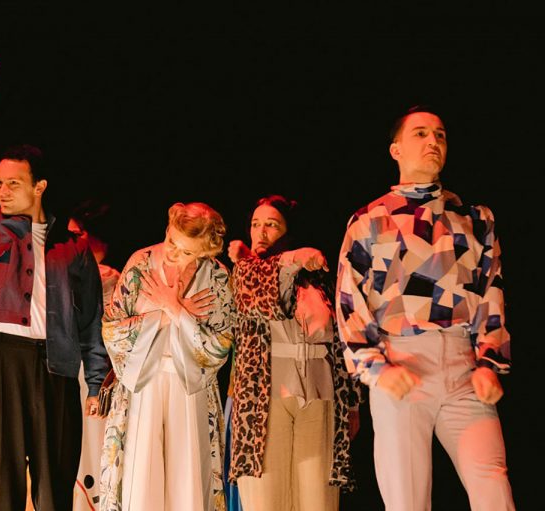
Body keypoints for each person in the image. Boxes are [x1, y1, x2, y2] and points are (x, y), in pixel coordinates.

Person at [335, 105, 515, 510]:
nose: (433, 141)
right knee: (407, 499)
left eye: (440, 134)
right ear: (396, 149)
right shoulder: (369, 220)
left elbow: (492, 292)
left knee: (493, 487)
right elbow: (349, 302)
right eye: (420, 133)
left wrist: (489, 362)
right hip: (401, 363)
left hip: (464, 367)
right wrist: (375, 368)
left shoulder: (474, 219)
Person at [0, 57, 108, 511]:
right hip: (2, 360)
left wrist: (96, 383)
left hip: (56, 367)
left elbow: (91, 321)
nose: (2, 190)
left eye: (13, 183)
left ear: (39, 186)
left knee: (53, 487)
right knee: (1, 485)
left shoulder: (73, 248)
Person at [226, 195, 361, 511]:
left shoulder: (319, 280)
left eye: (271, 225)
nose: (261, 232)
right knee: (267, 499)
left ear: (289, 231)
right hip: (266, 399)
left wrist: (353, 403)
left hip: (319, 395)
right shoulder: (246, 272)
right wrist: (297, 257)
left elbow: (342, 340)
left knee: (317, 500)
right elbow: (262, 296)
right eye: (255, 224)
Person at [99, 201, 235, 511]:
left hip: (190, 386)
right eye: (171, 240)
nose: (172, 252)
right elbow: (112, 331)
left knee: (187, 483)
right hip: (142, 384)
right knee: (141, 480)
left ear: (203, 252)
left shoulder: (217, 276)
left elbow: (220, 346)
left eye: (185, 251)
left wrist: (177, 310)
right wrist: (162, 314)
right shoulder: (141, 262)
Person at [67, 199, 121, 510]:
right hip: (72, 371)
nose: (70, 242)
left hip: (97, 374)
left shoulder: (106, 276)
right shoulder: (75, 273)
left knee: (93, 446)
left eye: (76, 235)